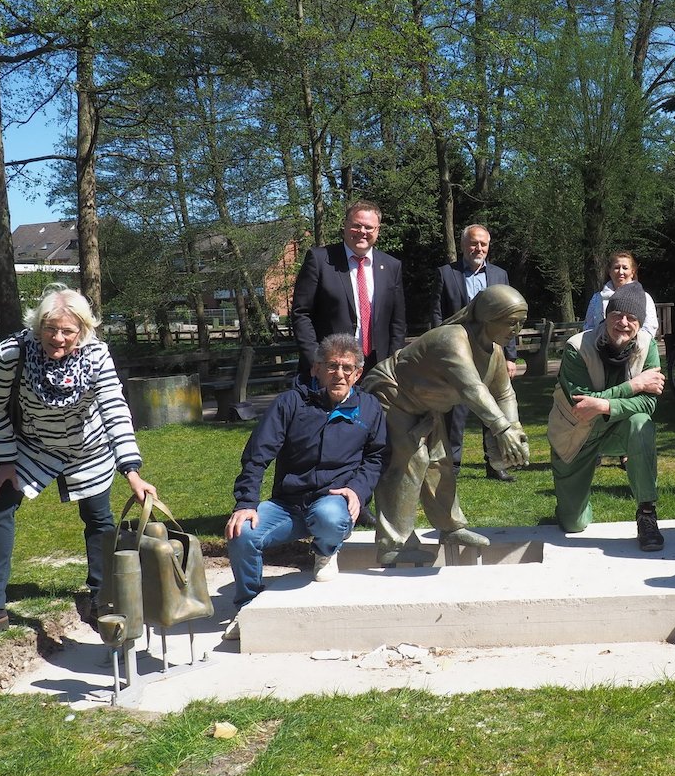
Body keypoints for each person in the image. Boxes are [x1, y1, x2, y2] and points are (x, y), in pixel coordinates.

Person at [0, 284, 157, 645]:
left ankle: (101, 594)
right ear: (38, 325)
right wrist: (4, 462)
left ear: (83, 330)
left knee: (98, 518)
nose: (57, 338)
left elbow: (114, 409)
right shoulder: (11, 353)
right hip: (35, 445)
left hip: (88, 446)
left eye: (67, 331)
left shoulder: (96, 355)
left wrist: (132, 471)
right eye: (50, 328)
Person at [224, 334, 388, 640]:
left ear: (358, 374)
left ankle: (326, 551)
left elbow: (376, 457)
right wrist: (246, 503)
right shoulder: (290, 403)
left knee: (329, 516)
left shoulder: (369, 408)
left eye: (347, 368)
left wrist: (357, 490)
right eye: (332, 366)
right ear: (316, 369)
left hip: (332, 501)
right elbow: (257, 455)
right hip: (288, 504)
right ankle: (247, 606)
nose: (339, 373)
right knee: (241, 534)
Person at [362, 285, 530, 567]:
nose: (517, 329)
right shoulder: (452, 340)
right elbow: (472, 390)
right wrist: (501, 429)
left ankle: (450, 527)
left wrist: (514, 427)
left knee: (440, 462)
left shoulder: (495, 352)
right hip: (393, 394)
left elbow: (504, 393)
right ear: (488, 317)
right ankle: (394, 544)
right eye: (511, 322)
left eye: (521, 323)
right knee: (411, 461)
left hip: (428, 406)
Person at [549, 282, 667, 551]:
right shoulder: (576, 347)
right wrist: (634, 386)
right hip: (575, 434)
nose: (623, 323)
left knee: (641, 424)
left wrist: (603, 406)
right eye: (617, 316)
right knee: (572, 523)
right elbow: (581, 405)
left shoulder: (647, 346)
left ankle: (646, 514)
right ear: (606, 316)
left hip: (617, 429)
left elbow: (648, 404)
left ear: (639, 323)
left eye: (632, 318)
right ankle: (576, 504)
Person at [431, 224, 520, 482]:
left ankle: (496, 463)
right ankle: (453, 464)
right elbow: (437, 314)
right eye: (473, 243)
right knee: (455, 412)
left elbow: (510, 318)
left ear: (488, 246)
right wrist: (440, 348)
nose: (477, 248)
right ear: (462, 246)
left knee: (493, 405)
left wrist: (510, 356)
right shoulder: (446, 274)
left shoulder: (499, 275)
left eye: (482, 243)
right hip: (458, 353)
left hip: (492, 351)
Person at [291, 199, 407, 374]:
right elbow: (301, 313)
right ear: (345, 226)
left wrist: (393, 362)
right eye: (356, 226)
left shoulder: (392, 266)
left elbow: (397, 322)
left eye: (369, 227)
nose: (362, 232)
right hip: (331, 366)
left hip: (378, 367)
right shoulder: (319, 260)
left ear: (377, 231)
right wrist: (316, 358)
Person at [582, 251, 660, 339]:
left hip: (635, 350)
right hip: (600, 348)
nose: (620, 272)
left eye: (625, 268)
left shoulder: (645, 297)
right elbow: (589, 327)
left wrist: (632, 345)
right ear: (609, 271)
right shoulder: (597, 298)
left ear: (632, 272)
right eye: (616, 267)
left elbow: (649, 328)